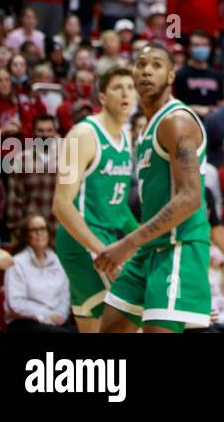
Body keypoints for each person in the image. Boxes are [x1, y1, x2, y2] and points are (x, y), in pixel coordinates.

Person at [96, 43, 212, 332]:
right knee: (110, 327)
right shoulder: (145, 129)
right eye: (141, 64)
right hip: (150, 248)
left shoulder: (176, 121)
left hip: (179, 247)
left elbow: (190, 197)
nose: (146, 70)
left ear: (171, 76)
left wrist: (128, 242)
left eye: (156, 65)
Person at [51, 66, 137, 332]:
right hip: (82, 242)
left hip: (107, 238)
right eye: (117, 87)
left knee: (94, 328)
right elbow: (61, 204)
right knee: (134, 316)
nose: (126, 93)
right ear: (102, 97)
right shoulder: (82, 135)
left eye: (131, 87)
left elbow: (118, 204)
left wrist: (144, 237)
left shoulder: (126, 135)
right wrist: (101, 250)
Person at [4, 214, 72, 332]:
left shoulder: (57, 261)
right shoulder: (17, 263)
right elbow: (16, 303)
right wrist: (47, 315)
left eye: (42, 229)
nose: (39, 233)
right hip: (24, 322)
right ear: (26, 236)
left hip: (55, 321)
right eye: (34, 230)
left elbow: (65, 296)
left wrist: (60, 316)